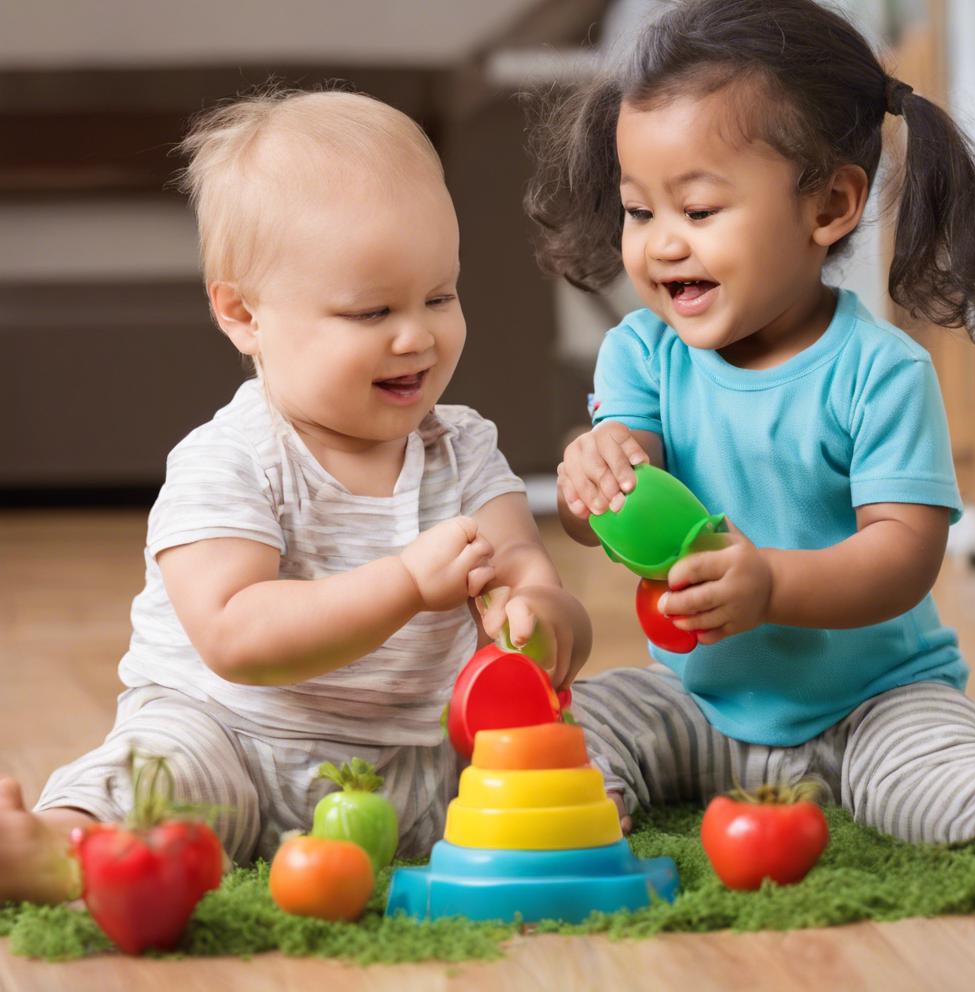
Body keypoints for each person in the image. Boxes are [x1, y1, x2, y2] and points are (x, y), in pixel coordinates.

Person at [0, 88, 591, 903]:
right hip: (236, 741)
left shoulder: (466, 449)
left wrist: (539, 619)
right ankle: (58, 848)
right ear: (244, 314)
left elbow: (531, 572)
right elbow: (236, 633)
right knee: (163, 781)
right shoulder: (230, 460)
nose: (416, 334)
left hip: (422, 762)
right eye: (371, 310)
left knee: (596, 723)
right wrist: (405, 585)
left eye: (440, 297)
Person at [526, 0, 975, 843]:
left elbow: (905, 556)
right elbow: (617, 494)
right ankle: (584, 813)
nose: (660, 242)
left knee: (945, 782)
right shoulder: (641, 354)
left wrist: (773, 585)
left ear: (829, 206)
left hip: (874, 704)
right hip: (700, 704)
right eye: (640, 211)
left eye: (700, 208)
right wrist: (591, 472)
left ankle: (967, 784)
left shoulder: (880, 372)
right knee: (573, 724)